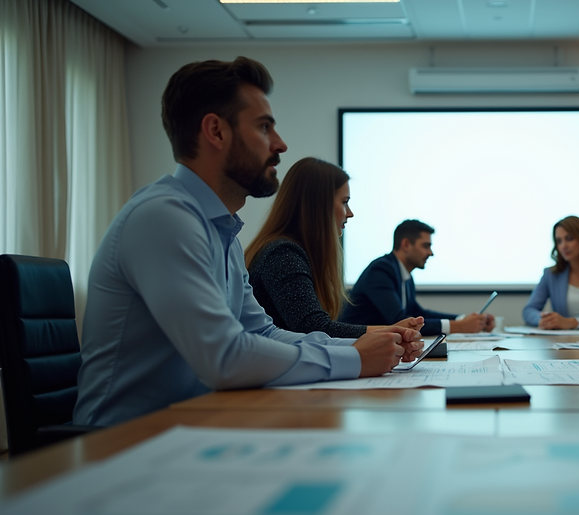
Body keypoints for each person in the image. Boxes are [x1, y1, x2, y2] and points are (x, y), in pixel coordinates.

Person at [74, 57, 421, 427]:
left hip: (195, 426)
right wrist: (355, 358)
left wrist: (361, 347)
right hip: (125, 442)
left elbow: (261, 332)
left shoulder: (219, 229)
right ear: (216, 132)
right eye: (264, 127)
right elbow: (224, 356)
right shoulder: (163, 217)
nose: (281, 144)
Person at [245, 157, 423, 338]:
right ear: (318, 205)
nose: (350, 213)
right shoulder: (282, 255)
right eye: (344, 202)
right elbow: (315, 330)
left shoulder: (293, 252)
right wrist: (391, 331)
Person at [340, 220, 494, 336]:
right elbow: (399, 320)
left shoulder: (405, 275)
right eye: (426, 246)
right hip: (352, 345)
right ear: (406, 244)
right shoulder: (381, 270)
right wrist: (459, 327)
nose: (430, 253)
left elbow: (419, 313)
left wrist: (464, 320)